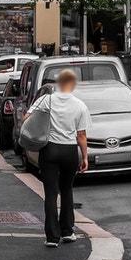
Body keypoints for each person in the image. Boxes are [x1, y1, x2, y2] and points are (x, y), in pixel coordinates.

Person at [24, 70, 89, 248]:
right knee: (67, 189)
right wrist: (84, 157)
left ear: (58, 83)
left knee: (51, 193)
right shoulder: (80, 105)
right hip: (69, 151)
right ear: (73, 84)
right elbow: (81, 135)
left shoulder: (46, 100)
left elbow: (27, 118)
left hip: (49, 148)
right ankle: (67, 231)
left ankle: (52, 237)